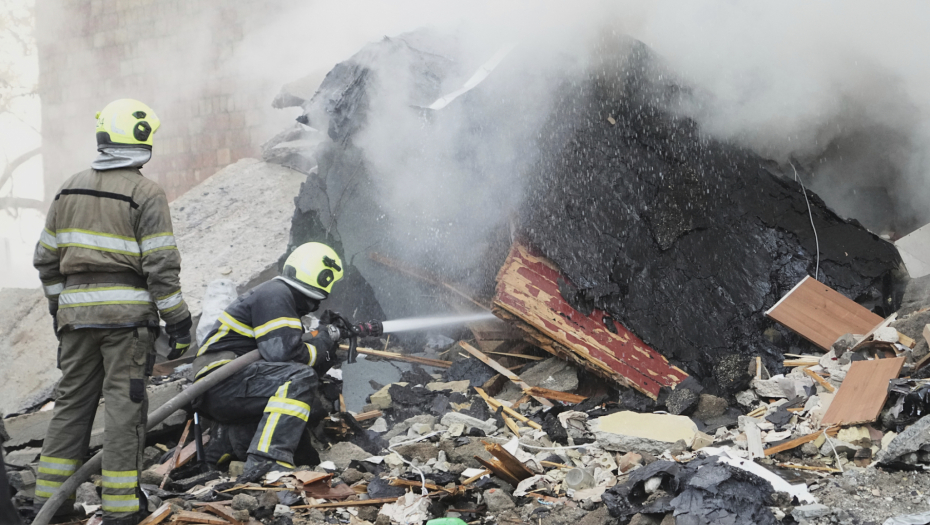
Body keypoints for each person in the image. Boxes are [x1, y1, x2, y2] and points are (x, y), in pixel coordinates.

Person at [32, 99, 191, 525]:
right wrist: (178, 321)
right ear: (144, 142)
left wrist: (58, 307)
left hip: (75, 322)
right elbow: (161, 267)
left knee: (70, 406)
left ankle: (50, 505)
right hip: (126, 324)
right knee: (124, 409)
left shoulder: (70, 188)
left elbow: (45, 259)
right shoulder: (146, 193)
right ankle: (122, 510)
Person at [192, 242, 380, 481]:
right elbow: (287, 357)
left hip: (230, 388)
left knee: (307, 439)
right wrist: (323, 340)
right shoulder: (276, 295)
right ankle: (267, 463)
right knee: (299, 380)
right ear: (322, 278)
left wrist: (326, 345)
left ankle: (228, 446)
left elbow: (295, 361)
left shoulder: (280, 302)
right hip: (222, 381)